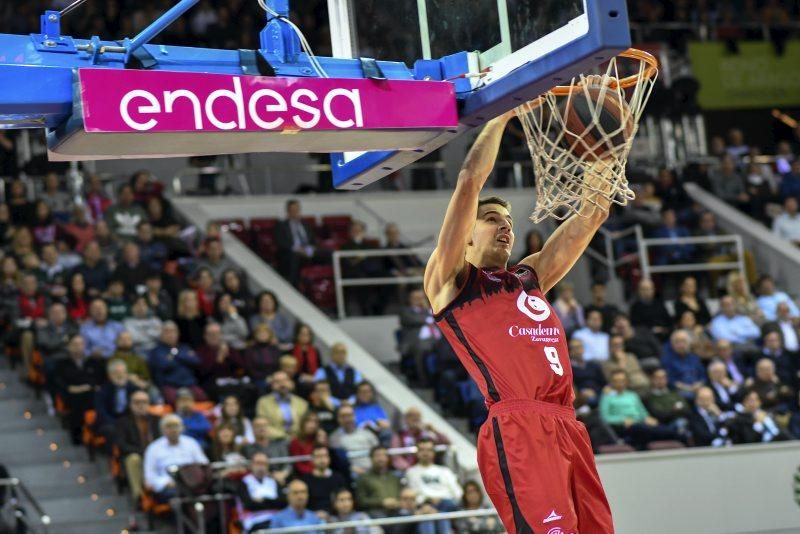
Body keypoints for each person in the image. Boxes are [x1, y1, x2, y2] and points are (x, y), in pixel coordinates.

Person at [423, 113, 612, 533]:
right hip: (517, 425)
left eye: (508, 222)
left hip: (567, 424)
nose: (504, 226)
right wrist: (502, 114)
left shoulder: (530, 276)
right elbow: (470, 179)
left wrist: (605, 152)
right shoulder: (453, 281)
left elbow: (589, 217)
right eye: (491, 219)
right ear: (466, 233)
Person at [598, 370, 678, 450]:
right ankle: (674, 434)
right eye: (616, 381)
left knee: (651, 427)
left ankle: (674, 434)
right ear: (611, 382)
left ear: (627, 382)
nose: (620, 383)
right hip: (624, 427)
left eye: (622, 381)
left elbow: (642, 411)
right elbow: (605, 417)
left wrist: (647, 417)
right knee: (641, 429)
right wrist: (622, 420)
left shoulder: (632, 395)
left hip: (640, 423)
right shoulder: (607, 397)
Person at [143, 414, 209, 503]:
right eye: (169, 426)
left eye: (176, 426)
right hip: (169, 485)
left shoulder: (191, 443)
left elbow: (203, 464)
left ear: (182, 428)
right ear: (162, 429)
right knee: (177, 494)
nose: (173, 429)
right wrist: (165, 483)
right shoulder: (153, 448)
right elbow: (150, 476)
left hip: (192, 482)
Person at [405, 438, 462, 532]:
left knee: (441, 512)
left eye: (429, 450)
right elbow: (413, 494)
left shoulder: (444, 471)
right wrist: (428, 503)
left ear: (434, 453)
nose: (425, 453)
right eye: (422, 450)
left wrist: (440, 500)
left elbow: (458, 493)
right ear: (417, 453)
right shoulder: (411, 472)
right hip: (424, 506)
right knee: (430, 518)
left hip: (447, 504)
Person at [115, 390, 160, 501]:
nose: (141, 405)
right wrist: (144, 452)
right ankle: (139, 496)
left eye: (144, 402)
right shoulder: (123, 422)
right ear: (131, 404)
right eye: (137, 402)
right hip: (137, 454)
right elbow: (122, 445)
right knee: (133, 459)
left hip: (157, 455)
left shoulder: (157, 420)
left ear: (149, 404)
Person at [236, 452, 287, 532]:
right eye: (258, 463)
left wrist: (263, 499)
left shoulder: (273, 481)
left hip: (275, 519)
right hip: (254, 520)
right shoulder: (245, 482)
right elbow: (249, 505)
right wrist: (272, 502)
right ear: (251, 465)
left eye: (263, 463)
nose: (261, 467)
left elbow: (282, 502)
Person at [255, 370, 308, 441]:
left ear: (291, 383)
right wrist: (284, 437)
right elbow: (262, 426)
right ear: (272, 385)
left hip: (298, 440)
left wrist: (295, 438)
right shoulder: (263, 402)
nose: (282, 384)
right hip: (274, 440)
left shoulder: (302, 403)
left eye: (285, 381)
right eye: (277, 382)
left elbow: (305, 425)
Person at [329, 404, 378, 477]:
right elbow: (339, 462)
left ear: (354, 416)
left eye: (349, 415)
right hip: (352, 474)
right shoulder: (334, 438)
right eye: (343, 416)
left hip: (374, 471)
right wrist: (362, 472)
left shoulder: (367, 433)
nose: (347, 419)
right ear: (338, 419)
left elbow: (378, 453)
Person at [299, 444, 349, 513]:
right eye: (318, 456)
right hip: (313, 517)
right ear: (312, 459)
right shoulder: (305, 480)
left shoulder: (339, 478)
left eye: (325, 456)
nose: (322, 460)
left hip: (336, 516)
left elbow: (344, 499)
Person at [355, 446, 403, 517]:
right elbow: (361, 501)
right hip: (375, 511)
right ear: (371, 458)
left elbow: (401, 495)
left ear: (387, 458)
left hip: (396, 510)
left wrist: (397, 502)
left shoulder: (394, 477)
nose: (381, 459)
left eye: (383, 455)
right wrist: (382, 502)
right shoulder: (364, 478)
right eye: (377, 456)